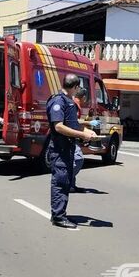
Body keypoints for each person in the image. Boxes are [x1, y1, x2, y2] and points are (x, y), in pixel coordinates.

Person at [46, 74, 96, 228]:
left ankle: (60, 213)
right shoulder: (58, 101)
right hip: (59, 149)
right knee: (60, 182)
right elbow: (59, 126)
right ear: (75, 87)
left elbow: (72, 124)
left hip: (67, 148)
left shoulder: (68, 102)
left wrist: (87, 131)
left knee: (65, 181)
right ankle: (58, 217)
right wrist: (82, 134)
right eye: (78, 87)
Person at [71, 88, 88, 193]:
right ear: (84, 97)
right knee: (78, 159)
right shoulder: (74, 105)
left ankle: (71, 185)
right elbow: (74, 122)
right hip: (70, 137)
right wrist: (89, 124)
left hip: (73, 136)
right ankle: (65, 180)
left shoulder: (75, 104)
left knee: (73, 160)